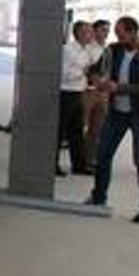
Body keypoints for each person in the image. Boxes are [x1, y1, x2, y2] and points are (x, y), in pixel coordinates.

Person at [86, 16, 139, 222]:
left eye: (121, 34)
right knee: (103, 155)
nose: (117, 38)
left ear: (133, 32)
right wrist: (97, 79)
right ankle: (98, 197)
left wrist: (119, 88)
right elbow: (94, 70)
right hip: (116, 112)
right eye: (116, 34)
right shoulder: (113, 50)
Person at [58, 20, 94, 175]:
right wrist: (83, 72)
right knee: (60, 131)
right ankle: (53, 164)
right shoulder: (67, 50)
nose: (91, 35)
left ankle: (79, 165)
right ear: (79, 33)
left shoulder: (87, 51)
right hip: (66, 92)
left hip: (79, 92)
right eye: (88, 32)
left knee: (77, 131)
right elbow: (64, 74)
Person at [83, 19, 111, 162]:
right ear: (94, 31)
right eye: (103, 30)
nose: (106, 33)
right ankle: (80, 158)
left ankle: (91, 158)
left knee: (98, 128)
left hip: (103, 93)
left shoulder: (108, 50)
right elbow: (84, 69)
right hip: (88, 91)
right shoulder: (87, 48)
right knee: (83, 125)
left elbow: (109, 70)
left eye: (107, 31)